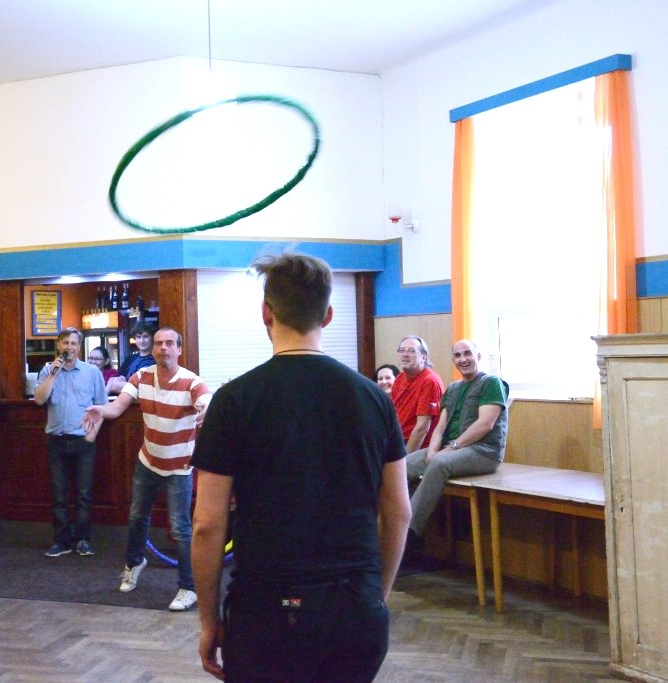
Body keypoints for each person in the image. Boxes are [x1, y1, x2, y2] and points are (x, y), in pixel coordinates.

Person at [190, 252, 411, 682]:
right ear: (327, 315)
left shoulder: (233, 401)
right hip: (355, 602)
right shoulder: (375, 399)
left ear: (265, 313)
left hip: (266, 608)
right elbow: (399, 512)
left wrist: (208, 620)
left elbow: (207, 525)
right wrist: (375, 595)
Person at [83, 327, 210, 611]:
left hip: (179, 467)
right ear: (152, 350)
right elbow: (116, 408)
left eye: (169, 343)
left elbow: (206, 401)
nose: (163, 347)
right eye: (159, 343)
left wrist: (207, 410)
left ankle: (188, 588)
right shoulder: (141, 376)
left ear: (179, 350)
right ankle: (134, 563)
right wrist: (100, 410)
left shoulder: (191, 382)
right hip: (148, 461)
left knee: (181, 528)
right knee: (137, 516)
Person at [405, 339, 509, 548]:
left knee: (439, 464)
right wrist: (432, 450)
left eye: (468, 353)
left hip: (483, 452)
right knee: (404, 465)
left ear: (478, 356)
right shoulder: (452, 388)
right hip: (449, 450)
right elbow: (440, 427)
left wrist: (449, 449)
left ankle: (409, 533)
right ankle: (389, 524)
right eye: (458, 355)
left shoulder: (491, 383)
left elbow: (485, 424)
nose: (463, 359)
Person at [34, 328, 106, 558]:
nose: (70, 347)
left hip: (83, 441)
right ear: (58, 345)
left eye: (74, 343)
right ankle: (61, 541)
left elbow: (102, 407)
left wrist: (92, 435)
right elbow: (39, 400)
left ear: (79, 347)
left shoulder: (92, 372)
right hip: (57, 440)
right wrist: (52, 374)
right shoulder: (48, 370)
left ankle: (83, 540)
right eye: (66, 343)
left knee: (84, 493)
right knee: (59, 494)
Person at [391, 335, 445, 452]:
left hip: (420, 446)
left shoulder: (429, 381)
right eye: (402, 350)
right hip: (398, 440)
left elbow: (422, 428)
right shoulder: (400, 378)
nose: (405, 354)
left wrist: (404, 458)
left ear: (423, 357)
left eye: (411, 351)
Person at [105, 323, 155, 395]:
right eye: (138, 337)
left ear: (152, 338)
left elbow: (145, 387)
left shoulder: (156, 360)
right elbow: (114, 380)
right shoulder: (130, 359)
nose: (142, 341)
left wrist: (121, 384)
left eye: (145, 336)